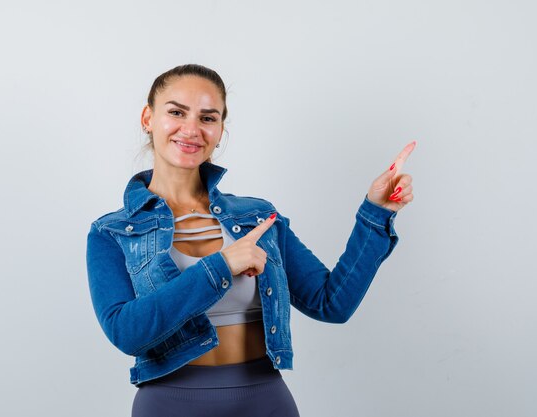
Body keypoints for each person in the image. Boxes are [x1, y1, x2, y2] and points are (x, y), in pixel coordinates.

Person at [85, 64, 415, 417]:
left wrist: (375, 213)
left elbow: (330, 304)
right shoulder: (113, 232)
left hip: (265, 401)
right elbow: (127, 332)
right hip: (169, 403)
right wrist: (222, 266)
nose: (191, 129)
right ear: (148, 118)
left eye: (208, 118)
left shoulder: (257, 217)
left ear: (220, 129)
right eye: (176, 112)